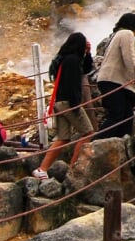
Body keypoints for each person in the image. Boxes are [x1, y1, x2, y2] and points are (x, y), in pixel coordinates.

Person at [34, 32, 95, 179]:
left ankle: (42, 169)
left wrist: (88, 53)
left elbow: (86, 69)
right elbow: (72, 84)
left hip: (59, 102)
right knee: (88, 132)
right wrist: (76, 106)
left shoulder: (63, 59)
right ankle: (73, 169)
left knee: (63, 138)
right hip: (69, 103)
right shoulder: (73, 61)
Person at [96, 13, 135, 140]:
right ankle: (94, 144)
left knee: (126, 115)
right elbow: (129, 58)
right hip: (113, 80)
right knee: (117, 114)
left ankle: (121, 144)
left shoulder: (116, 35)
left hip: (109, 80)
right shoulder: (126, 34)